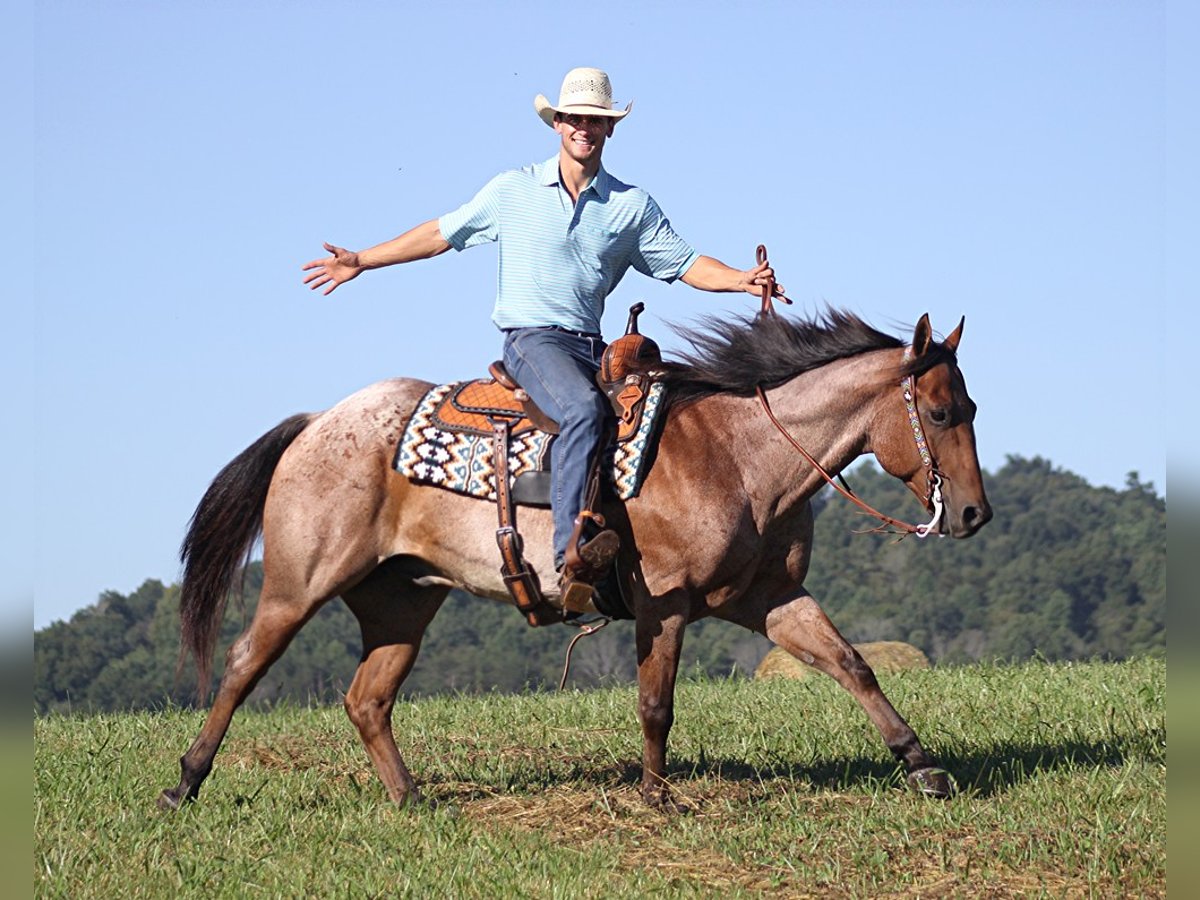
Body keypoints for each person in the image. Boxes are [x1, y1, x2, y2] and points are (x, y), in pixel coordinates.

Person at [303, 66, 784, 600]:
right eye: (575, 117)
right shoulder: (513, 189)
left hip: (594, 347)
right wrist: (363, 260)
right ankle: (570, 555)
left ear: (610, 130)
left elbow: (687, 263)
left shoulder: (631, 206)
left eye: (596, 120)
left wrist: (741, 280)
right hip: (532, 340)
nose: (585, 127)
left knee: (665, 417)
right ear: (557, 123)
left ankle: (646, 548)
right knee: (583, 410)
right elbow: (441, 234)